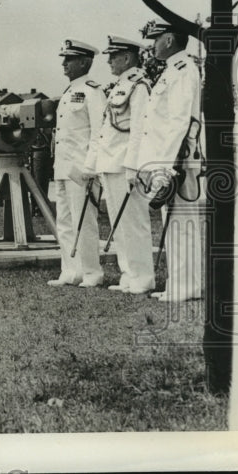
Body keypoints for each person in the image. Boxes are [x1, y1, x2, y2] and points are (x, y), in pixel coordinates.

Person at [137, 22, 204, 303]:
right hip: (168, 160)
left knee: (182, 224)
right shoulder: (171, 70)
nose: (151, 44)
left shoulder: (183, 70)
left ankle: (187, 286)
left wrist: (166, 165)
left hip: (177, 160)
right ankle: (178, 283)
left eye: (155, 38)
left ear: (168, 39)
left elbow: (179, 120)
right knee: (174, 223)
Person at [88, 35, 156, 294]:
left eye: (113, 56)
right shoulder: (120, 86)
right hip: (111, 163)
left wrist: (134, 166)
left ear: (127, 58)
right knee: (119, 222)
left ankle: (143, 276)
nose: (108, 61)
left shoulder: (139, 86)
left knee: (133, 222)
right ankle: (129, 273)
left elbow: (140, 128)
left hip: (126, 164)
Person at [49, 40, 106, 288]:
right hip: (63, 168)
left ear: (84, 62)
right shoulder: (69, 92)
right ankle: (70, 271)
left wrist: (90, 167)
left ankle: (91, 272)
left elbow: (98, 133)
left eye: (69, 60)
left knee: (84, 221)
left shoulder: (93, 92)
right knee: (64, 220)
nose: (64, 64)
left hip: (81, 169)